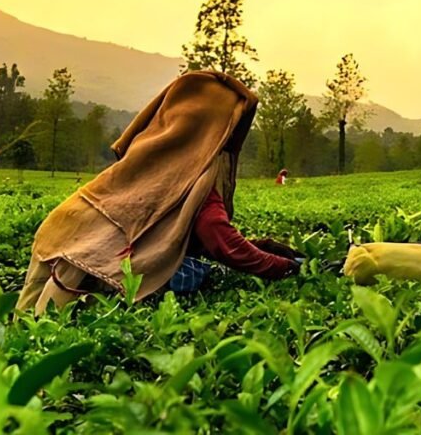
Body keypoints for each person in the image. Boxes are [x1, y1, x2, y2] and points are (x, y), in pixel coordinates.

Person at [16, 71, 301, 314]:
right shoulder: (195, 171)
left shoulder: (155, 152)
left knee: (26, 332)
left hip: (62, 231)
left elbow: (184, 232)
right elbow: (219, 240)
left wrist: (263, 246)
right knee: (54, 338)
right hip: (86, 258)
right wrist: (285, 267)